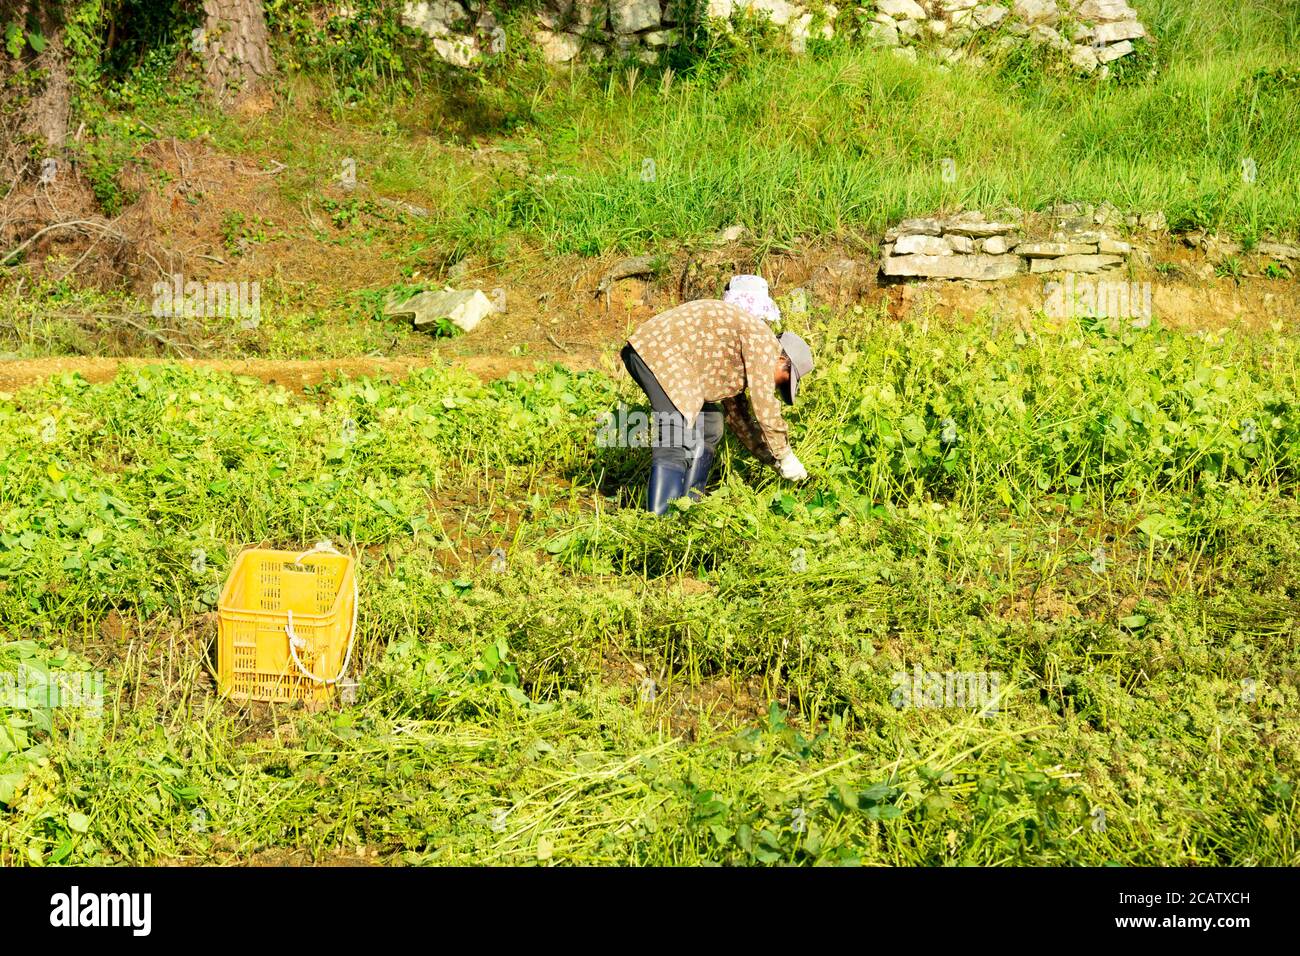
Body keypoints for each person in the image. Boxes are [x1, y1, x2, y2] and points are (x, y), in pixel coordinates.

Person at [619, 290, 814, 514]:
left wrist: (774, 460)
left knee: (710, 424)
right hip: (659, 352)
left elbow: (740, 419)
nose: (779, 387)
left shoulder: (745, 355)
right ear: (782, 360)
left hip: (666, 357)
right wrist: (785, 454)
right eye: (785, 381)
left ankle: (688, 508)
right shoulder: (764, 343)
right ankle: (660, 523)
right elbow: (765, 406)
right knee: (675, 438)